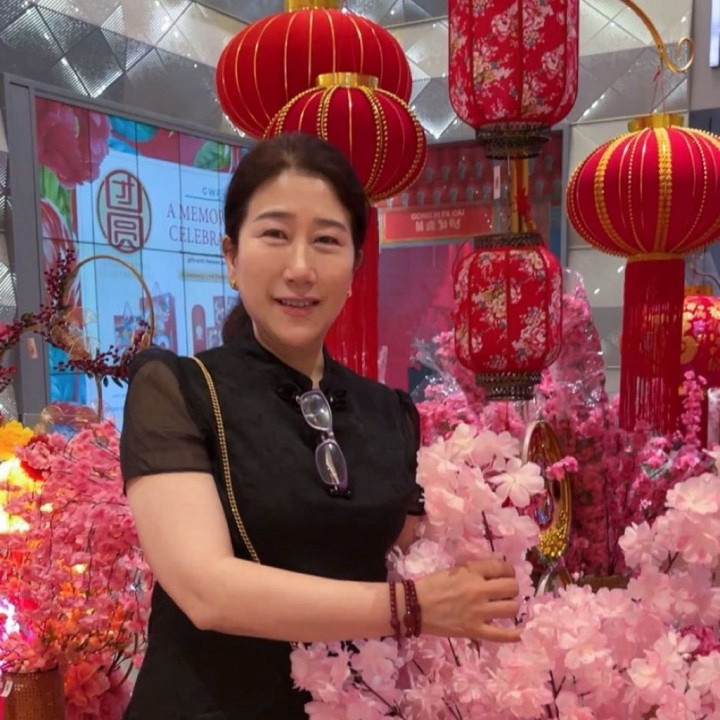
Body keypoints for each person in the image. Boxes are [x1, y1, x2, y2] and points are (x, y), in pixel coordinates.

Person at [120, 133, 522, 720]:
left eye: (327, 241)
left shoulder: (388, 412)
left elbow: (403, 553)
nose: (301, 268)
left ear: (355, 267)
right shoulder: (177, 390)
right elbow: (207, 591)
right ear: (231, 257)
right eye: (275, 235)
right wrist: (412, 607)